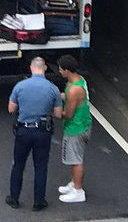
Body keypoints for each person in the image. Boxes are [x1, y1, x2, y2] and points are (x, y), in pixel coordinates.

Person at [6, 57, 63, 211]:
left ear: (31, 68)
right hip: (42, 132)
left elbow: (11, 109)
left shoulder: (20, 86)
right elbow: (58, 114)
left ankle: (14, 198)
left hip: (23, 130)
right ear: (44, 68)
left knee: (18, 164)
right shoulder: (53, 89)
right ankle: (38, 201)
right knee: (41, 166)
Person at [57, 54, 92, 203]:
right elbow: (69, 97)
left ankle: (78, 191)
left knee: (76, 160)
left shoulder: (73, 90)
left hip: (75, 128)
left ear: (67, 70)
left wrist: (55, 112)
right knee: (73, 158)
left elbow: (68, 114)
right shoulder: (78, 81)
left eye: (60, 69)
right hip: (83, 124)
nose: (59, 72)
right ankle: (74, 183)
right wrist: (56, 95)